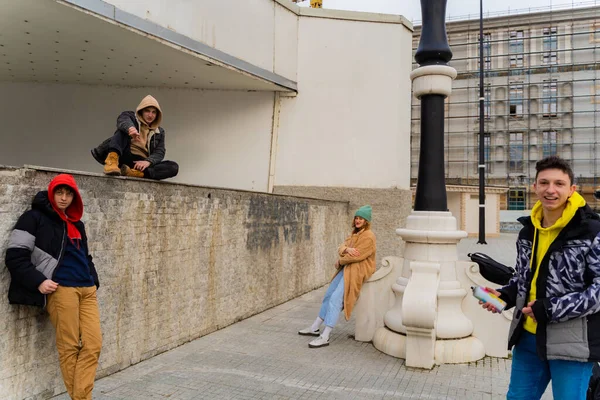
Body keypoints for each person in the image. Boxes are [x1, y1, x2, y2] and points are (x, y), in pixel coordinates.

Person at [480, 156, 600, 399]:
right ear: (534, 187)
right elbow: (524, 279)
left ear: (571, 189)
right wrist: (506, 295)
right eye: (544, 183)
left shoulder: (591, 231)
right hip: (528, 338)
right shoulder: (528, 230)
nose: (550, 190)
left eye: (559, 183)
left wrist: (552, 309)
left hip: (572, 343)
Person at [5, 174, 102, 400]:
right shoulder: (33, 218)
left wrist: (93, 280)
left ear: (74, 197)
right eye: (59, 192)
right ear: (51, 193)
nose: (64, 198)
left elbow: (85, 256)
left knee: (94, 345)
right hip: (62, 290)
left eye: (69, 194)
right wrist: (38, 281)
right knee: (69, 348)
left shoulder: (77, 223)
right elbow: (15, 256)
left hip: (87, 291)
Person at [298, 205, 376, 348]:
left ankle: (325, 336)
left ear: (366, 221)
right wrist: (346, 249)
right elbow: (341, 248)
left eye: (361, 218)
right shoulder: (354, 234)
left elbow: (357, 256)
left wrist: (341, 260)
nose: (358, 220)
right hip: (346, 269)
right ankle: (315, 327)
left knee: (336, 299)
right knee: (328, 295)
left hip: (356, 271)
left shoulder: (368, 236)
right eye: (357, 218)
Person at [91, 95, 179, 180]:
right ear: (141, 111)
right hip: (124, 155)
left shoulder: (160, 131)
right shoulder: (131, 117)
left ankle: (137, 174)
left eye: (153, 112)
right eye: (147, 111)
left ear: (157, 114)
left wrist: (148, 162)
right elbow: (122, 119)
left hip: (141, 163)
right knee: (122, 131)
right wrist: (130, 129)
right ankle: (112, 161)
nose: (150, 115)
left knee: (173, 167)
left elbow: (160, 152)